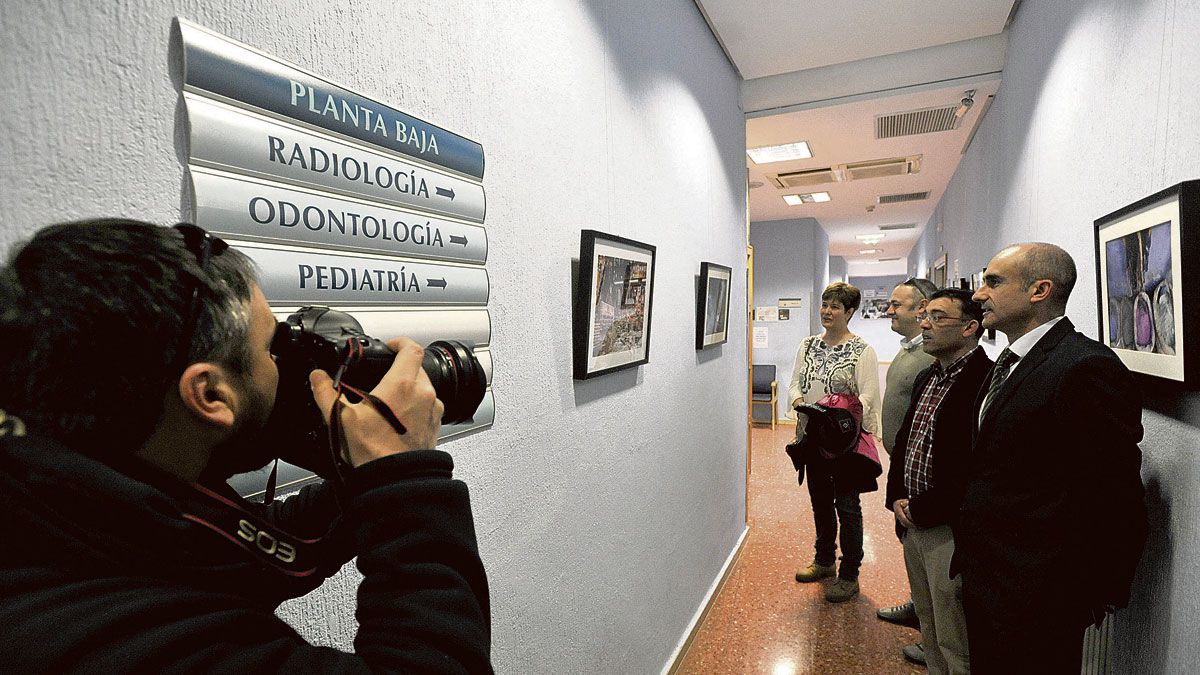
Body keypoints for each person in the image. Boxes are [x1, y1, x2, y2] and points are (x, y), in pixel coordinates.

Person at [0, 219, 493, 673]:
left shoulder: (64, 494)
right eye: (271, 346)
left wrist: (366, 474)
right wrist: (409, 483)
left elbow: (218, 546)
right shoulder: (101, 639)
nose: (288, 361)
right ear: (211, 394)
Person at [955, 242, 1147, 674]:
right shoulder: (1008, 362)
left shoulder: (1084, 367)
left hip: (1041, 592)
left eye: (993, 282)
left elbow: (1112, 490)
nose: (978, 294)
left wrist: (1093, 592)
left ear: (1039, 290)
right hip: (990, 579)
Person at [886, 289, 991, 675]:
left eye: (937, 317)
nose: (924, 324)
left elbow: (975, 468)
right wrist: (897, 497)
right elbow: (906, 441)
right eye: (925, 315)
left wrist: (923, 508)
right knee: (928, 621)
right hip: (911, 518)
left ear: (969, 327)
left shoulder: (985, 382)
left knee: (954, 635)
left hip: (948, 528)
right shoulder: (928, 375)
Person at [788, 281, 882, 603]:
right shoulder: (808, 345)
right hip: (812, 440)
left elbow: (868, 397)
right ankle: (824, 560)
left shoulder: (862, 351)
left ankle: (850, 574)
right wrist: (800, 401)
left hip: (844, 445)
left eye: (835, 307)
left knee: (848, 507)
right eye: (825, 304)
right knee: (820, 503)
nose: (827, 311)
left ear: (850, 312)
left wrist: (838, 413)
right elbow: (794, 383)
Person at [876, 277, 938, 663]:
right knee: (911, 545)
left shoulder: (932, 358)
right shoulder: (908, 351)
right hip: (905, 470)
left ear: (922, 308)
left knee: (927, 552)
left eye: (896, 305)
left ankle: (933, 637)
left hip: (925, 479)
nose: (889, 311)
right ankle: (919, 607)